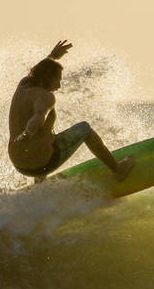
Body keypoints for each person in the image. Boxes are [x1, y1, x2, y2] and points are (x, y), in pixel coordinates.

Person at [8, 40, 134, 183]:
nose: (59, 86)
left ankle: (39, 183)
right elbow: (39, 117)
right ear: (48, 78)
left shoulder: (23, 85)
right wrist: (27, 133)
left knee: (46, 136)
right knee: (84, 129)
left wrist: (52, 56)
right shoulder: (45, 97)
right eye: (58, 80)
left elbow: (37, 71)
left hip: (19, 165)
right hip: (43, 164)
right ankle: (118, 170)